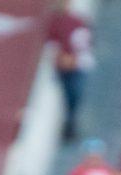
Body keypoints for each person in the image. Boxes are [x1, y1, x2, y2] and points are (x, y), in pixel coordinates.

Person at [47, 0, 95, 140]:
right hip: (63, 68)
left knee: (74, 96)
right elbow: (52, 45)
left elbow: (84, 46)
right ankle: (68, 125)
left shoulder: (76, 22)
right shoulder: (54, 23)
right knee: (68, 97)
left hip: (76, 67)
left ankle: (70, 125)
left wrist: (73, 60)